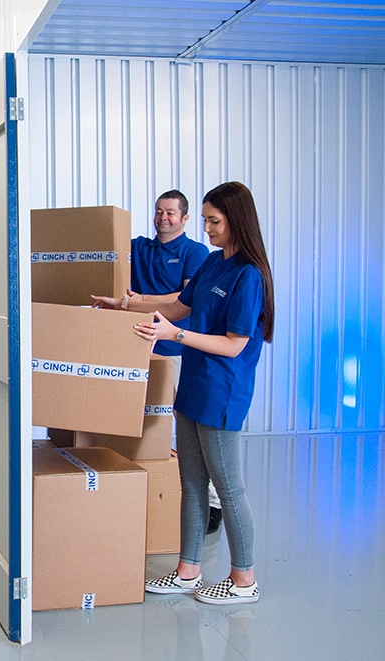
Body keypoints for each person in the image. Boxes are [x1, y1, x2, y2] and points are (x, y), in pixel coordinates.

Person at [92, 181, 274, 605]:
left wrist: (176, 335)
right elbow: (176, 307)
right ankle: (187, 570)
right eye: (207, 220)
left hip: (222, 393)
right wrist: (122, 307)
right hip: (193, 388)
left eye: (215, 221)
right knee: (190, 481)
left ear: (237, 222)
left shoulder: (248, 276)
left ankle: (244, 580)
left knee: (228, 490)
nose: (208, 228)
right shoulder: (213, 264)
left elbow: (234, 344)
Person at [125, 190, 222, 534]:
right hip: (138, 347)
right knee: (141, 425)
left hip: (175, 350)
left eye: (170, 213)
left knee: (186, 430)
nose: (163, 218)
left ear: (184, 218)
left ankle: (210, 502)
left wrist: (139, 300)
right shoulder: (139, 247)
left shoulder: (196, 253)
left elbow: (183, 300)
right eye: (158, 212)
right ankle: (145, 487)